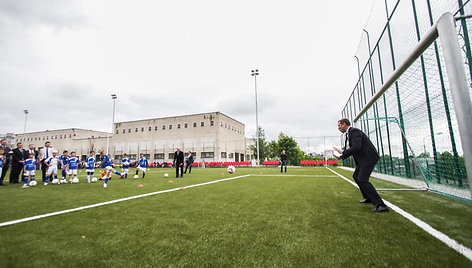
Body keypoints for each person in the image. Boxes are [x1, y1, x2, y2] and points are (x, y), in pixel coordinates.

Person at [333, 118, 388, 213]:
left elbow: (357, 147)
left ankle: (381, 205)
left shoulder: (354, 131)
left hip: (368, 158)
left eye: (339, 125)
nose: (338, 128)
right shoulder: (350, 133)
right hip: (363, 160)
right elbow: (355, 148)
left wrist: (342, 156)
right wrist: (342, 153)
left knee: (362, 179)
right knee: (356, 176)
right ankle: (368, 197)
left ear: (345, 124)